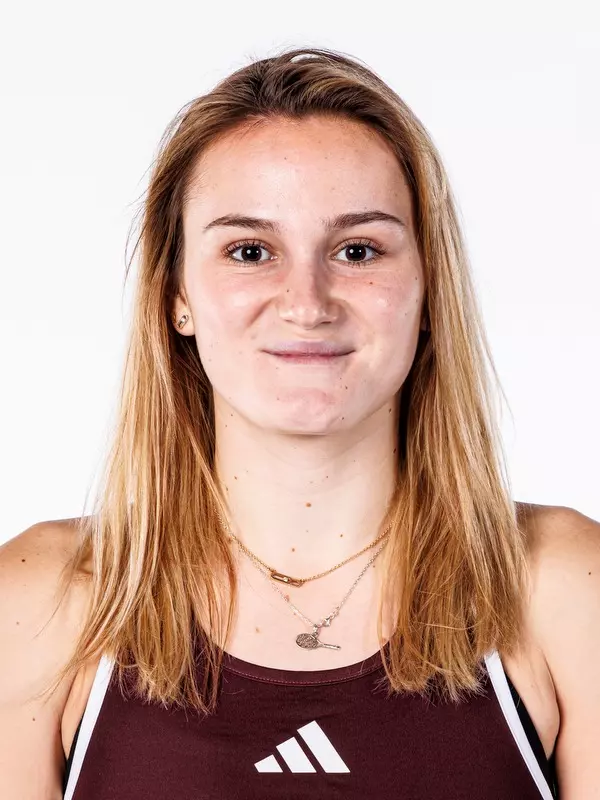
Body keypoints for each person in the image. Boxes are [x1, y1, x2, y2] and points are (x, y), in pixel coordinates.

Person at [1, 46, 598, 800]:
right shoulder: (39, 605)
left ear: (428, 291)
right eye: (251, 251)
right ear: (176, 296)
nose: (307, 302)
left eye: (358, 250)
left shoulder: (564, 590)